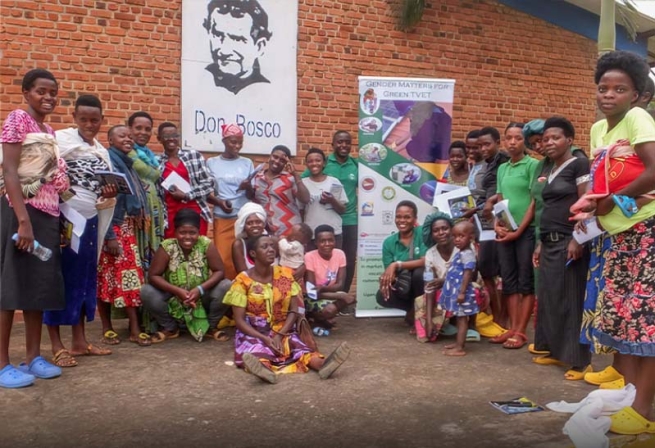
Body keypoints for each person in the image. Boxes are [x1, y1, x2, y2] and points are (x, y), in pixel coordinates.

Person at [576, 51, 655, 435]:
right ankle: (627, 397)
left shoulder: (638, 119)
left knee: (646, 322)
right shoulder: (596, 131)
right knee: (624, 321)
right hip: (616, 235)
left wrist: (615, 201)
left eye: (619, 89)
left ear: (638, 95)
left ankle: (643, 411)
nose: (608, 94)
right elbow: (602, 184)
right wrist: (590, 207)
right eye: (603, 87)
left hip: (647, 232)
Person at [0, 69, 69, 387]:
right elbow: (11, 171)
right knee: (12, 287)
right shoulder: (18, 119)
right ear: (26, 92)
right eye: (42, 91)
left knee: (38, 288)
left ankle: (32, 356)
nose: (49, 97)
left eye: (53, 92)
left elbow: (54, 178)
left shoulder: (49, 130)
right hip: (20, 213)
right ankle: (3, 364)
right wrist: (23, 220)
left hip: (46, 215)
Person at [44, 95, 116, 367]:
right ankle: (56, 345)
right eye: (83, 119)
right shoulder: (58, 141)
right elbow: (45, 172)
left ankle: (79, 342)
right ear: (74, 117)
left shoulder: (101, 150)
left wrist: (109, 192)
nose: (89, 124)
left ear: (101, 121)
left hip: (92, 219)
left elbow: (107, 187)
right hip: (65, 219)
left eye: (94, 120)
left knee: (86, 280)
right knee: (60, 278)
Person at [223, 235, 351, 384]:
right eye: (264, 247)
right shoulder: (242, 280)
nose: (271, 249)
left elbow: (293, 311)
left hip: (282, 328)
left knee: (298, 348)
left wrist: (280, 334)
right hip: (254, 330)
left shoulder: (284, 275)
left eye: (272, 246)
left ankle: (323, 365)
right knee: (257, 349)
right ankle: (263, 369)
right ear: (253, 254)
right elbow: (239, 321)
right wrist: (265, 338)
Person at [531, 117, 591, 380]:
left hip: (570, 240)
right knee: (551, 297)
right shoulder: (550, 168)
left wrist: (578, 239)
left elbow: (586, 202)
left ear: (569, 139)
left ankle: (580, 362)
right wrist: (540, 243)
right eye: (545, 139)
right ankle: (555, 350)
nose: (549, 142)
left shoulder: (579, 164)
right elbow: (549, 208)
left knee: (571, 298)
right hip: (549, 240)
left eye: (555, 138)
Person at [141, 209, 233, 343]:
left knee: (226, 285)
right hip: (173, 298)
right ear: (176, 232)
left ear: (198, 232)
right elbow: (153, 276)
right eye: (182, 232)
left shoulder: (206, 244)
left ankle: (210, 327)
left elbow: (219, 271)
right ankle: (170, 327)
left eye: (192, 233)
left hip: (201, 296)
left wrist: (200, 289)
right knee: (146, 291)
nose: (187, 237)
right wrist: (177, 291)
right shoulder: (167, 246)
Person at [97, 125, 151, 346]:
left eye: (130, 136)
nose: (128, 139)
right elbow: (106, 201)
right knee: (106, 279)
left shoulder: (127, 165)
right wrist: (109, 235)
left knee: (129, 278)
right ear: (110, 140)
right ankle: (108, 328)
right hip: (113, 227)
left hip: (126, 227)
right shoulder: (109, 162)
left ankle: (133, 328)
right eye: (122, 136)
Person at [490, 123, 538, 350]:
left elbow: (533, 201)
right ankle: (511, 328)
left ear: (524, 141)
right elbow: (500, 199)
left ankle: (520, 331)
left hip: (525, 232)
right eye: (508, 138)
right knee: (508, 281)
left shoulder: (533, 165)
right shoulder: (503, 168)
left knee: (525, 282)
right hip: (506, 231)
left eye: (517, 138)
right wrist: (497, 225)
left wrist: (518, 231)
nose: (512, 142)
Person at [302, 130, 359, 292]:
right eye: (340, 142)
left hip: (349, 219)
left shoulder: (355, 165)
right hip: (323, 221)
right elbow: (305, 181)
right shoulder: (325, 162)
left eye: (347, 142)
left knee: (346, 259)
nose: (344, 145)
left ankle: (343, 296)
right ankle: (316, 298)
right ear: (332, 144)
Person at [206, 123, 254, 280]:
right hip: (222, 217)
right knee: (223, 257)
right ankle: (225, 292)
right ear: (224, 141)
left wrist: (247, 187)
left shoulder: (247, 163)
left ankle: (242, 290)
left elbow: (253, 194)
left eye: (240, 142)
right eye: (233, 142)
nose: (237, 146)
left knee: (241, 258)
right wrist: (219, 202)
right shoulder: (212, 163)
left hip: (243, 218)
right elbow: (206, 193)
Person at [202, 0, 272, 94]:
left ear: (259, 47)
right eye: (218, 35)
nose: (224, 51)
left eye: (236, 39)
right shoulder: (199, 79)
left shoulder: (269, 93)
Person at [158, 122, 214, 238]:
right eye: (166, 136)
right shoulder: (156, 162)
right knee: (172, 248)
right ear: (159, 139)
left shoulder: (193, 155)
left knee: (196, 247)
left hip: (194, 209)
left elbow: (208, 183)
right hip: (170, 213)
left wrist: (186, 195)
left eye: (175, 135)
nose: (171, 139)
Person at [477, 127, 509, 329]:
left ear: (498, 142)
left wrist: (489, 202)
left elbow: (501, 191)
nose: (483, 148)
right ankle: (497, 315)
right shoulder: (486, 165)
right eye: (480, 145)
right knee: (487, 269)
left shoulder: (504, 162)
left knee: (503, 273)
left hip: (501, 221)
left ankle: (503, 319)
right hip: (485, 223)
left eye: (487, 144)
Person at [376, 201, 427, 325]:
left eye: (407, 217)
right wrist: (386, 280)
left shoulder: (421, 233)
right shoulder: (389, 242)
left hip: (425, 284)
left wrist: (397, 264)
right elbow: (389, 272)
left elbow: (425, 261)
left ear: (415, 219)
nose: (402, 220)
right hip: (405, 284)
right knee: (382, 295)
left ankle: (421, 312)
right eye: (398, 217)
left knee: (419, 274)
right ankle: (413, 310)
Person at [127, 111, 165, 268]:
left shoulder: (149, 155)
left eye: (147, 129)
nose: (143, 132)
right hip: (137, 211)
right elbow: (149, 174)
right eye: (138, 128)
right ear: (129, 128)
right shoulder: (127, 152)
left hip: (154, 208)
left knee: (154, 247)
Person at [304, 225, 356, 335]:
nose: (327, 244)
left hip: (328, 293)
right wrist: (340, 295)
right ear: (316, 243)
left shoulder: (340, 254)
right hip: (311, 297)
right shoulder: (309, 257)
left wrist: (322, 288)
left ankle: (322, 319)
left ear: (335, 241)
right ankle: (315, 319)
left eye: (330, 240)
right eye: (322, 241)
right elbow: (312, 292)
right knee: (330, 310)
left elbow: (340, 285)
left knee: (351, 299)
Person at [249, 145, 310, 237]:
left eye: (282, 160)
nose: (277, 161)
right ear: (270, 156)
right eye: (275, 157)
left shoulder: (290, 179)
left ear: (286, 163)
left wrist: (295, 175)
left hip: (288, 230)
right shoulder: (257, 178)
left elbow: (305, 199)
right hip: (265, 230)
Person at [439, 221, 479, 357]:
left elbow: (468, 273)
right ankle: (458, 343)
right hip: (457, 291)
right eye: (454, 236)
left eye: (461, 236)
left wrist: (462, 293)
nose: (457, 239)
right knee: (459, 318)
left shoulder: (467, 253)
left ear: (471, 237)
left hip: (462, 292)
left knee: (462, 319)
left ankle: (460, 348)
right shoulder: (462, 252)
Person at [414, 212, 454, 343]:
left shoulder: (463, 247)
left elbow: (469, 277)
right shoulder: (430, 254)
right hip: (441, 293)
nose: (441, 232)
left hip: (461, 290)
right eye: (436, 230)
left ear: (451, 229)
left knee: (474, 291)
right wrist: (429, 320)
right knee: (421, 302)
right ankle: (440, 326)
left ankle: (469, 326)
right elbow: (429, 285)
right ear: (431, 234)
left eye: (445, 228)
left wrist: (444, 281)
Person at [301, 148, 348, 247]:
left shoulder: (334, 182)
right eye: (310, 161)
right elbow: (300, 210)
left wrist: (332, 200)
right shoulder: (302, 184)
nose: (314, 164)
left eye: (318, 160)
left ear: (324, 163)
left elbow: (342, 209)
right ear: (306, 164)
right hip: (311, 234)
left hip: (333, 234)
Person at [232, 202, 268, 274]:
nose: (254, 225)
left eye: (258, 222)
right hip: (249, 283)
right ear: (243, 226)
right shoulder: (239, 245)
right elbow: (243, 274)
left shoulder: (273, 241)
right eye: (250, 223)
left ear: (264, 224)